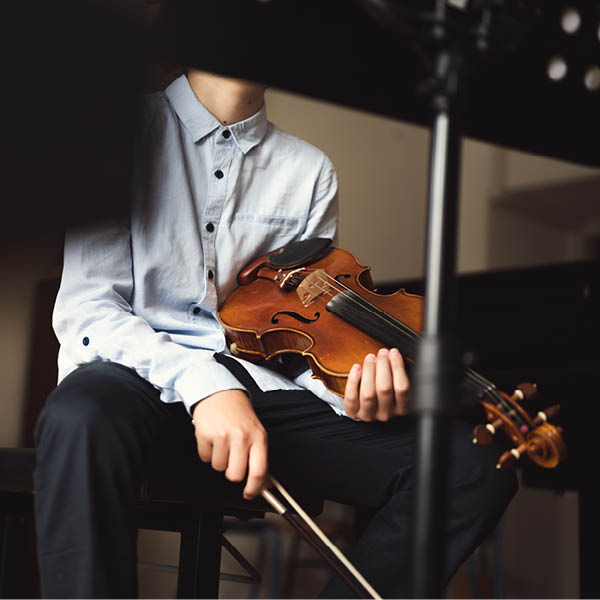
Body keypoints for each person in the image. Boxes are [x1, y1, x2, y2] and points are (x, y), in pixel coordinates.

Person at [33, 69, 517, 598]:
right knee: (76, 415)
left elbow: (299, 340)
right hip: (135, 380)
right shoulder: (116, 131)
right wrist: (207, 385)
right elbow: (90, 310)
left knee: (474, 465)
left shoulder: (309, 171)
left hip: (262, 397)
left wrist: (350, 393)